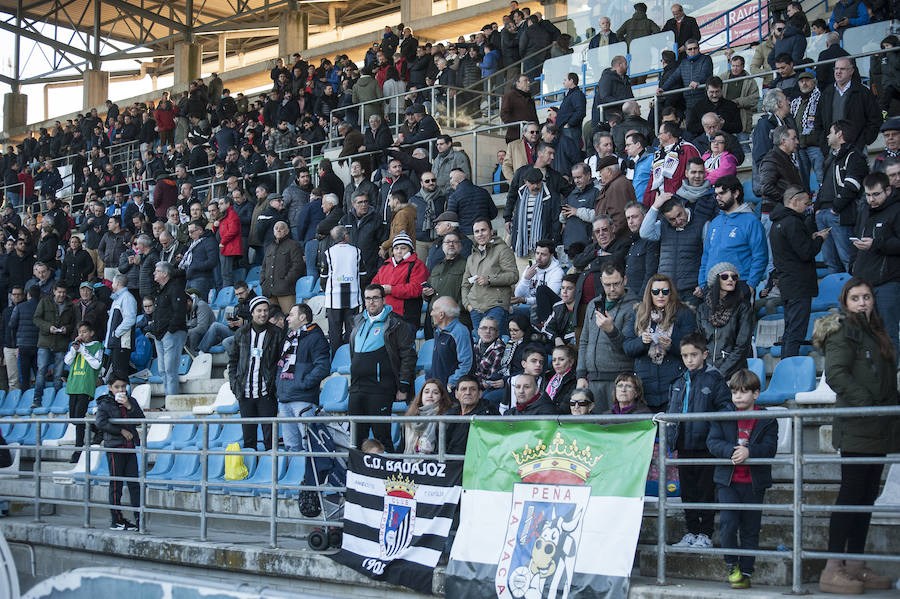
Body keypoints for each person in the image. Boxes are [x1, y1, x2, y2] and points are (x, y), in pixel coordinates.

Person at [812, 278, 896, 594]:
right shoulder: (842, 331)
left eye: (867, 297)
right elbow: (836, 375)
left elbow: (884, 379)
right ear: (846, 303)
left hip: (880, 427)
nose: (862, 302)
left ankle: (856, 565)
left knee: (866, 497)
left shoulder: (877, 332)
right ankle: (832, 568)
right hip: (858, 425)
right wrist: (868, 404)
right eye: (856, 298)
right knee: (851, 495)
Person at [707, 369, 779, 590]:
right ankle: (731, 565)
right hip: (727, 482)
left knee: (750, 528)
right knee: (728, 524)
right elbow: (713, 442)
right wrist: (731, 450)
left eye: (744, 392)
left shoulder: (767, 419)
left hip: (754, 484)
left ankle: (747, 570)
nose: (738, 396)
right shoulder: (723, 415)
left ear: (756, 394)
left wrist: (750, 453)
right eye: (734, 392)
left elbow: (770, 448)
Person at [666, 332, 732, 550]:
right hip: (683, 445)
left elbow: (726, 408)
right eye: (685, 356)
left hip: (706, 446)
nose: (689, 360)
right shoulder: (678, 381)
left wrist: (713, 430)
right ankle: (691, 531)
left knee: (705, 491)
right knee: (688, 491)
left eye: (694, 355)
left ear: (704, 354)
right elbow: (672, 410)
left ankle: (705, 533)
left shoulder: (714, 379)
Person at [349, 284, 416, 452]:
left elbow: (408, 356)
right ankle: (358, 475)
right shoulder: (358, 321)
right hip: (357, 388)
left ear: (384, 299)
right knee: (356, 438)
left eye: (375, 298)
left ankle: (388, 475)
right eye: (368, 298)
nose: (371, 302)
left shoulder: (396, 323)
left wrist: (403, 386)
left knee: (382, 436)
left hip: (380, 389)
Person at [769, 187, 828, 358]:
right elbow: (806, 252)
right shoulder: (793, 222)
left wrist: (810, 238)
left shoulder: (776, 223)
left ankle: (785, 367)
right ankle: (789, 371)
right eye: (806, 202)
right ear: (794, 201)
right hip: (799, 285)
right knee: (795, 332)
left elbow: (792, 249)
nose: (808, 206)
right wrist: (819, 239)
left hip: (787, 284)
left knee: (790, 331)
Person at [623, 274, 696, 411]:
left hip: (673, 383)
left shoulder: (683, 313)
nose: (660, 295)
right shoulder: (639, 313)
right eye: (656, 292)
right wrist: (642, 342)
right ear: (649, 293)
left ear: (671, 293)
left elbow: (692, 348)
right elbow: (627, 347)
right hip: (645, 386)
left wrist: (671, 345)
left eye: (665, 291)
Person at [576, 263, 638, 412]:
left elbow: (631, 349)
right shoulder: (593, 305)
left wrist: (611, 331)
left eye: (616, 284)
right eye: (607, 284)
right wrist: (581, 374)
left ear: (625, 280)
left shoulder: (635, 307)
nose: (611, 289)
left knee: (616, 429)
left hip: (619, 380)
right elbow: (584, 341)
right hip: (592, 379)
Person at [814, 120, 869, 274]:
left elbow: (852, 186)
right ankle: (838, 295)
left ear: (839, 134)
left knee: (847, 260)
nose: (827, 136)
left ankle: (854, 294)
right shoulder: (830, 158)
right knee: (830, 262)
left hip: (839, 214)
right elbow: (823, 186)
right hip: (823, 215)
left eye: (830, 132)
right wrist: (817, 209)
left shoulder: (854, 156)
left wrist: (835, 208)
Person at [855, 172, 900, 356]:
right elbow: (857, 237)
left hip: (889, 281)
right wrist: (853, 266)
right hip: (865, 281)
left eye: (876, 194)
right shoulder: (864, 210)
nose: (871, 199)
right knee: (868, 332)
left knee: (888, 331)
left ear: (887, 191)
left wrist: (877, 243)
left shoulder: (897, 210)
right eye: (867, 195)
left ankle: (892, 373)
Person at [229, 296, 281, 451]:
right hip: (245, 393)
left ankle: (271, 472)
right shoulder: (241, 333)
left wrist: (275, 387)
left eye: (265, 310)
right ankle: (251, 471)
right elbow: (233, 360)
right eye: (259, 310)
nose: (263, 314)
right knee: (249, 438)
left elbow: (280, 362)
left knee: (270, 438)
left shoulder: (277, 333)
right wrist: (234, 384)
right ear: (252, 312)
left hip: (267, 393)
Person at [276, 303, 330, 453]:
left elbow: (323, 367)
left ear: (303, 317)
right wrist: (278, 385)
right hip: (285, 399)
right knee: (291, 447)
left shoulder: (316, 338)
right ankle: (295, 477)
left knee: (310, 445)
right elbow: (281, 365)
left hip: (303, 399)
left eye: (291, 315)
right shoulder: (290, 338)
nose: (287, 318)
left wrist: (303, 383)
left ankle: (310, 476)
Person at [700, 176, 768, 293]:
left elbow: (760, 256)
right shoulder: (715, 222)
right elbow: (706, 255)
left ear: (736, 193)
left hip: (739, 284)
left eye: (722, 193)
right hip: (712, 286)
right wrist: (702, 283)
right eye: (716, 194)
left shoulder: (751, 221)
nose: (718, 197)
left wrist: (750, 285)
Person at [94, 373, 144, 531]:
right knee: (116, 484)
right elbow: (100, 423)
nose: (121, 390)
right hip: (115, 448)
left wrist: (129, 406)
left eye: (123, 386)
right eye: (117, 387)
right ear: (110, 387)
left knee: (134, 485)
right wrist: (121, 430)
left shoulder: (132, 400)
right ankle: (116, 520)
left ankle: (139, 519)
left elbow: (141, 419)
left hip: (130, 448)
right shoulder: (105, 403)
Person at [696, 262, 753, 379]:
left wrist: (719, 372)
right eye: (725, 276)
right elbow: (699, 342)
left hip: (734, 374)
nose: (730, 279)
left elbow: (742, 347)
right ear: (716, 280)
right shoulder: (703, 309)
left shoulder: (743, 307)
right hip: (707, 372)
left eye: (734, 277)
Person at [462, 218, 518, 334]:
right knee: (481, 345)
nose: (480, 234)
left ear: (491, 231)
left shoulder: (503, 250)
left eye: (483, 230)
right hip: (475, 309)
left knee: (496, 343)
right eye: (477, 231)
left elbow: (513, 275)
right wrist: (468, 305)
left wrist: (489, 280)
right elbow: (465, 285)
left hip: (496, 306)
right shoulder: (471, 257)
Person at [814, 58, 882, 152]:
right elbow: (818, 122)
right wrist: (824, 143)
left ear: (851, 71)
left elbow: (875, 119)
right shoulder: (826, 93)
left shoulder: (863, 92)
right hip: (831, 149)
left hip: (857, 148)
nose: (838, 72)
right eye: (836, 69)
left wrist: (864, 140)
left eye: (842, 69)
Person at [371, 232, 429, 334]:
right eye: (396, 248)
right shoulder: (385, 266)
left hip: (406, 318)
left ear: (410, 249)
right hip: (383, 317)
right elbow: (373, 285)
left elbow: (416, 289)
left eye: (403, 248)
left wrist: (391, 289)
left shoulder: (417, 265)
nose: (399, 251)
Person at [63, 321, 104, 463]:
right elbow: (67, 361)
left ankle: (78, 450)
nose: (81, 335)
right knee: (74, 419)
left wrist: (83, 351)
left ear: (91, 333)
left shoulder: (97, 346)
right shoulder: (76, 345)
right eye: (79, 332)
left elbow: (97, 364)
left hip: (85, 386)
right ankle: (98, 429)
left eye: (84, 332)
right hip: (73, 385)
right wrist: (74, 350)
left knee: (79, 417)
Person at [33, 282, 75, 407]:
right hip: (45, 342)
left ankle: (56, 401)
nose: (61, 295)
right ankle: (37, 399)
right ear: (54, 291)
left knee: (58, 374)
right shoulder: (44, 302)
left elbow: (72, 324)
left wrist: (66, 329)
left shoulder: (70, 306)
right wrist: (48, 327)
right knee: (41, 371)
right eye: (59, 292)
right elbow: (36, 319)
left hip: (61, 343)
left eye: (63, 292)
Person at [149, 261, 187, 398]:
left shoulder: (175, 288)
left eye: (157, 271)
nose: (154, 273)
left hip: (171, 334)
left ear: (165, 273)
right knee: (162, 370)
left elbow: (179, 311)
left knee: (170, 369)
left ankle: (171, 401)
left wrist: (170, 330)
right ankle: (168, 398)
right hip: (160, 334)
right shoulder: (161, 290)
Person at [321, 226, 361, 353]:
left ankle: (335, 360)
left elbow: (323, 278)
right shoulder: (357, 251)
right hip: (353, 298)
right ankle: (350, 361)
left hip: (334, 299)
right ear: (345, 236)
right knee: (351, 332)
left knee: (334, 333)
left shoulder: (328, 253)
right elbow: (364, 275)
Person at [644, 122, 700, 206]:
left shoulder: (687, 149)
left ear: (669, 135)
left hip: (681, 202)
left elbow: (696, 175)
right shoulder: (659, 154)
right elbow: (652, 181)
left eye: (660, 134)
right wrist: (647, 203)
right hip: (660, 203)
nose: (658, 137)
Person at [446, 374, 499, 454]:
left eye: (473, 389)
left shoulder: (489, 415)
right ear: (456, 394)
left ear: (480, 394)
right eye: (463, 389)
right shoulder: (449, 415)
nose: (468, 393)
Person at [657, 39, 713, 114]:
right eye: (690, 49)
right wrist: (663, 88)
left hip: (704, 98)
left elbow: (705, 73)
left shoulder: (706, 59)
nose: (693, 51)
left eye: (695, 48)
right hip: (689, 102)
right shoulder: (683, 63)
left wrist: (698, 82)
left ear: (699, 48)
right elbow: (674, 77)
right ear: (686, 51)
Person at [261, 221, 305, 315]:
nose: (278, 230)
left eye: (281, 228)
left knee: (289, 318)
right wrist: (263, 282)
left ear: (287, 231)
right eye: (276, 228)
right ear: (273, 231)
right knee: (272, 320)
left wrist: (286, 281)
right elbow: (264, 267)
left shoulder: (293, 245)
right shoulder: (270, 247)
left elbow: (298, 266)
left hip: (286, 291)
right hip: (269, 291)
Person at [403, 379, 454, 455]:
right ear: (421, 396)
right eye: (426, 392)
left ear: (441, 397)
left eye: (435, 393)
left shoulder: (445, 418)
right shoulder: (410, 418)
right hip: (409, 464)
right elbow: (401, 448)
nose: (430, 395)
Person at [758, 126, 803, 210]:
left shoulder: (786, 158)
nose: (797, 142)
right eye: (794, 138)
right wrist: (789, 200)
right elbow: (766, 188)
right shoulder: (771, 160)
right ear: (783, 141)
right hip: (775, 211)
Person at [105, 274, 137, 377]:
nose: (112, 285)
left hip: (122, 342)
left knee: (121, 373)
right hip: (116, 342)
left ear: (117, 283)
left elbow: (130, 319)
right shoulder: (117, 299)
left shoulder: (127, 298)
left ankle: (124, 392)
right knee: (117, 373)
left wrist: (117, 333)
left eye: (113, 282)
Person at [720, 55, 759, 136]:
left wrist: (738, 101)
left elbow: (755, 98)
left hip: (743, 119)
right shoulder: (723, 78)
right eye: (733, 66)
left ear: (743, 66)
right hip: (726, 118)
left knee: (744, 145)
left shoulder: (750, 81)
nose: (735, 68)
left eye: (737, 66)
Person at [542, 344, 577, 412]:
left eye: (561, 359)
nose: (556, 363)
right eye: (554, 360)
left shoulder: (575, 380)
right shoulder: (547, 377)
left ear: (571, 361)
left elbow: (564, 408)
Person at [556, 72, 587, 143]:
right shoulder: (571, 95)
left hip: (571, 131)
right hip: (566, 131)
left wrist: (569, 124)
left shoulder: (577, 94)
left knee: (571, 152)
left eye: (565, 80)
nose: (563, 82)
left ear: (571, 81)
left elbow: (580, 112)